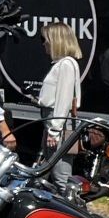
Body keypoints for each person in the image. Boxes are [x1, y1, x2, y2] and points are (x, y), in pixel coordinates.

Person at [38, 22, 84, 184]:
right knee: (49, 171)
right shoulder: (64, 64)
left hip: (58, 123)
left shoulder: (66, 64)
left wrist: (54, 130)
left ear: (56, 40)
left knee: (61, 177)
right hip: (54, 122)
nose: (44, 43)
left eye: (46, 39)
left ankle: (74, 207)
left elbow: (63, 100)